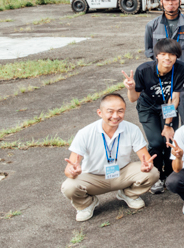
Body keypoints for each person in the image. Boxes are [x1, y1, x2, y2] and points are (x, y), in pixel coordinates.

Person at [60, 93, 159, 221]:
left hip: (122, 173)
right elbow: (69, 169)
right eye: (110, 112)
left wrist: (147, 165)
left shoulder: (132, 129)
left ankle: (128, 194)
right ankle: (86, 204)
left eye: (120, 111)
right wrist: (72, 172)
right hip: (93, 176)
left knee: (152, 173)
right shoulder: (85, 133)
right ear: (99, 112)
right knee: (69, 186)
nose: (115, 116)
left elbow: (145, 158)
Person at [124, 38, 184, 194]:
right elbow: (133, 98)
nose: (167, 58)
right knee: (156, 142)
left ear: (177, 56)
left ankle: (169, 173)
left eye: (172, 54)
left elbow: (174, 99)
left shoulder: (182, 69)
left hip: (167, 107)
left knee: (169, 142)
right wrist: (131, 88)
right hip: (148, 108)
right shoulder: (144, 70)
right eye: (163, 54)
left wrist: (168, 125)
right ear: (156, 56)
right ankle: (156, 177)